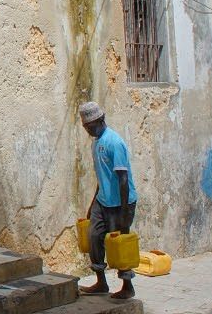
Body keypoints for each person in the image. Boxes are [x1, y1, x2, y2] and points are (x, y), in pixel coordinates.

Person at [77, 101, 138, 300]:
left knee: (119, 244)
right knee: (94, 237)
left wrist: (123, 211)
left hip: (120, 203)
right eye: (85, 127)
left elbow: (123, 178)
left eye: (89, 127)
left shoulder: (114, 142)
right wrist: (92, 203)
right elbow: (101, 176)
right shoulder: (96, 142)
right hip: (102, 201)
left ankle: (127, 286)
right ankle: (101, 282)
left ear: (99, 121)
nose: (87, 131)